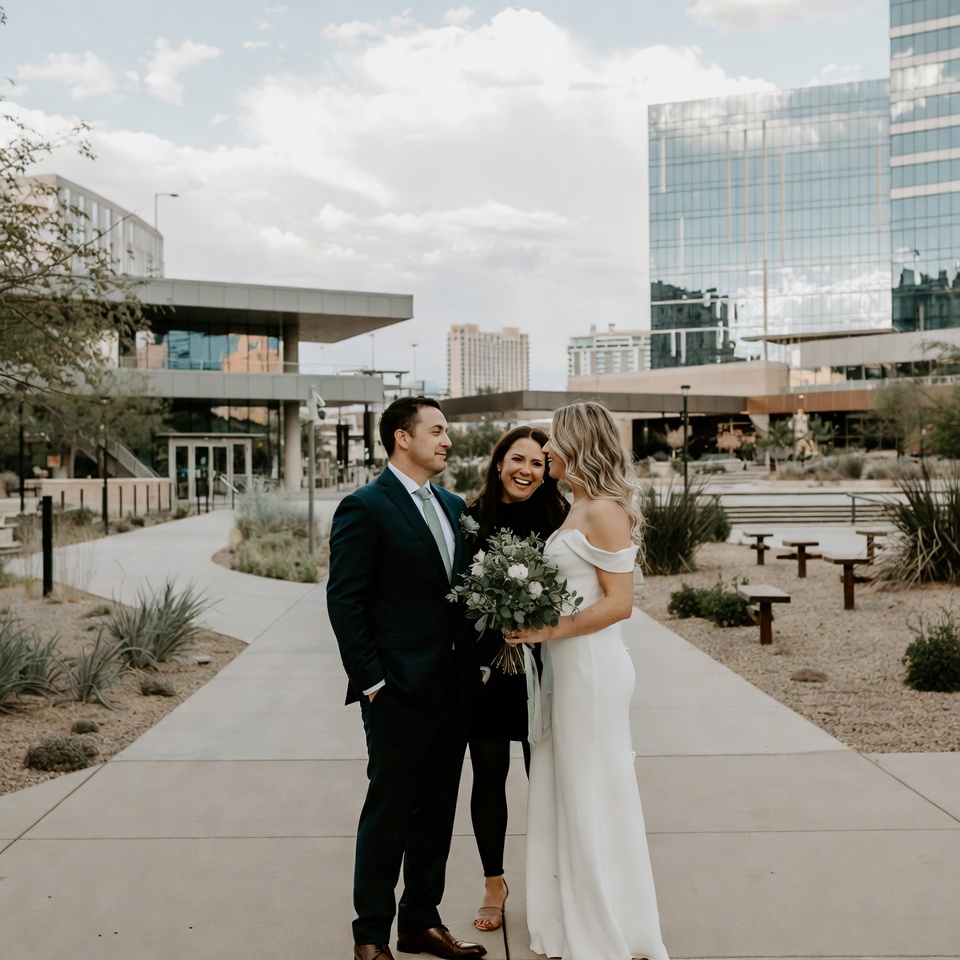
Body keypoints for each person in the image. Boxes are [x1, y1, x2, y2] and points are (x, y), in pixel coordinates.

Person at [506, 401, 669, 960]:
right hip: (566, 669)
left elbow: (620, 604)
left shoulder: (604, 510)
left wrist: (545, 630)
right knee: (564, 787)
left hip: (593, 671)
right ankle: (566, 918)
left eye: (553, 440)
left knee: (594, 790)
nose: (545, 449)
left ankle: (608, 926)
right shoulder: (576, 505)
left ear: (576, 444)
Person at [326, 395, 487, 960]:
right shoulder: (364, 506)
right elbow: (345, 601)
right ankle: (370, 935)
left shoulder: (450, 504)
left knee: (438, 810)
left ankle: (421, 919)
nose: (447, 441)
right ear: (402, 436)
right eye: (437, 431)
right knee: (389, 812)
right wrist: (373, 682)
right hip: (394, 690)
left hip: (452, 688)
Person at [465, 426, 569, 933]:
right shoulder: (469, 515)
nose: (527, 471)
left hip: (544, 669)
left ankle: (554, 882)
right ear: (499, 461)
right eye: (517, 459)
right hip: (486, 672)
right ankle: (493, 882)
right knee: (488, 779)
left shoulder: (561, 518)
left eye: (537, 463)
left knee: (545, 778)